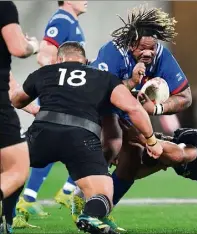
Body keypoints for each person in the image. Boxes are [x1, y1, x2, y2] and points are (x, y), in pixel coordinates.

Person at [11, 41, 162, 234]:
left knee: (9, 168)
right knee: (104, 192)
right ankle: (90, 216)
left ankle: (6, 217)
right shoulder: (103, 77)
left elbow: (17, 100)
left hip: (42, 133)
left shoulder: (46, 72)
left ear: (59, 60)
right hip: (82, 137)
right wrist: (151, 141)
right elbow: (133, 108)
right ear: (86, 61)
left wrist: (32, 106)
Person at [91, 4, 192, 208]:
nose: (148, 52)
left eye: (152, 48)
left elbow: (185, 96)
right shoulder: (112, 53)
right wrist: (131, 83)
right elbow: (98, 93)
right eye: (142, 48)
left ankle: (99, 210)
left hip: (132, 113)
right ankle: (74, 192)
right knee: (112, 142)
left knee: (133, 160)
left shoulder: (161, 56)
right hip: (99, 107)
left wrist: (157, 109)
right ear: (130, 45)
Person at [16, 0, 88, 222]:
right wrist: (60, 85)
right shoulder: (61, 20)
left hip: (67, 95)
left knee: (52, 143)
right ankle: (65, 192)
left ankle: (28, 199)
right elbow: (43, 56)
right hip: (61, 96)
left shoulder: (71, 21)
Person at [0, 1, 39, 233]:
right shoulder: (4, 7)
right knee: (17, 169)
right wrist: (31, 44)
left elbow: (13, 89)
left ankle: (6, 221)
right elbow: (18, 48)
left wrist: (34, 110)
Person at [118, 120, 197, 194]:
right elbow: (135, 174)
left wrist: (145, 140)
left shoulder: (189, 140)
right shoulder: (167, 160)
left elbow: (180, 154)